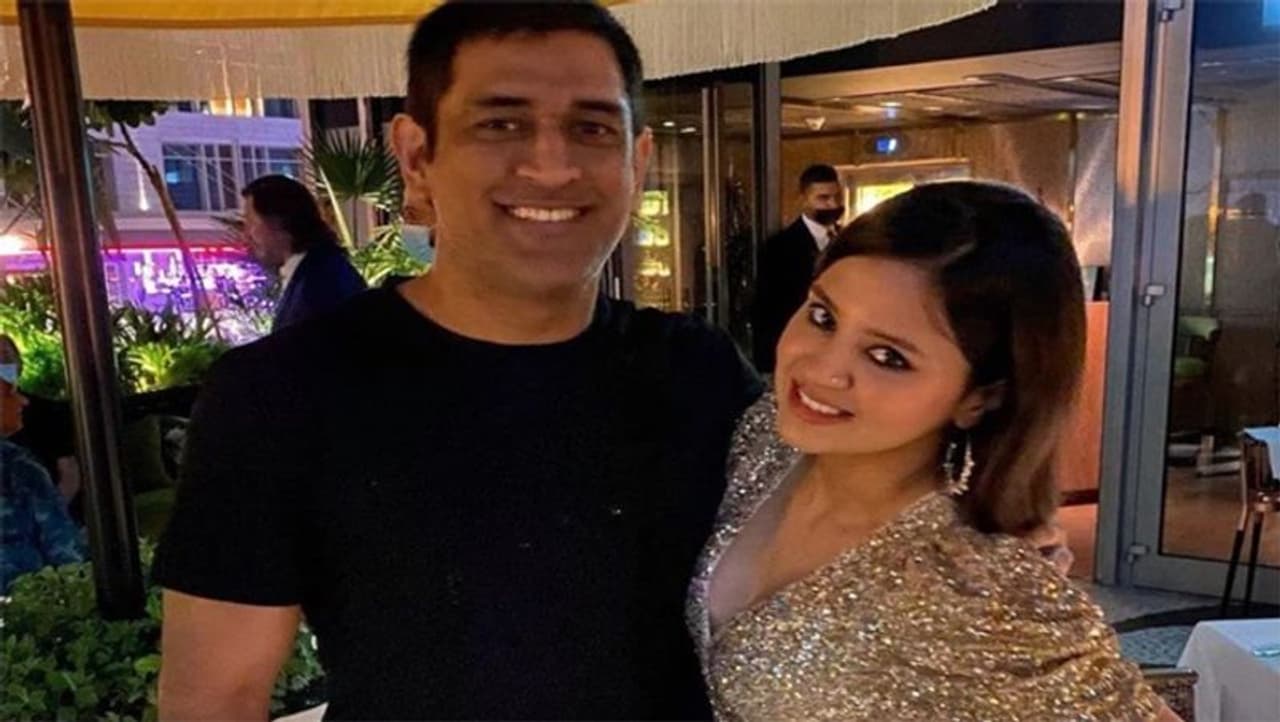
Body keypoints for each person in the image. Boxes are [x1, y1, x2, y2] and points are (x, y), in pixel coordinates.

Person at [154, 3, 1066, 719]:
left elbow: (860, 477)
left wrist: (991, 534)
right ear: (416, 155)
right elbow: (213, 700)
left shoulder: (700, 374)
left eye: (592, 129)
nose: (552, 167)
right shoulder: (280, 395)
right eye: (501, 125)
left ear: (637, 159)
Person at [690, 182, 1174, 720]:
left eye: (887, 357)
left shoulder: (983, 586)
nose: (822, 370)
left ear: (979, 397)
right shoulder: (765, 441)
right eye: (823, 317)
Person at [1, 335, 85, 595]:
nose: (21, 402)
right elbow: (68, 559)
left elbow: (70, 474)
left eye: (6, 358)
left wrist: (52, 508)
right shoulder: (19, 465)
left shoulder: (46, 416)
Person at [239, 174, 367, 331]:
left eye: (250, 222)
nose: (246, 234)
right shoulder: (318, 270)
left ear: (279, 222)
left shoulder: (320, 284)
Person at [751, 163, 844, 373]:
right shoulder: (779, 248)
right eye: (823, 198)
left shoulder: (848, 240)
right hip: (800, 351)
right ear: (804, 199)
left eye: (837, 197)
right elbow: (767, 312)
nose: (833, 204)